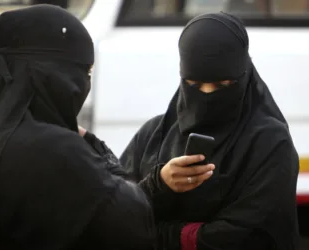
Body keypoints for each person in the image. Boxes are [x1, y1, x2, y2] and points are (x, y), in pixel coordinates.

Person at [0, 5, 155, 250]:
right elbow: (134, 222)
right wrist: (98, 150)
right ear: (56, 75)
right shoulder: (54, 149)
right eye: (85, 72)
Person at [119, 12, 300, 250]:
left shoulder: (270, 142)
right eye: (193, 85)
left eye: (222, 85)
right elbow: (114, 213)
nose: (206, 94)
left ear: (244, 75)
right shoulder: (154, 134)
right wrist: (159, 184)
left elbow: (244, 235)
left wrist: (154, 236)